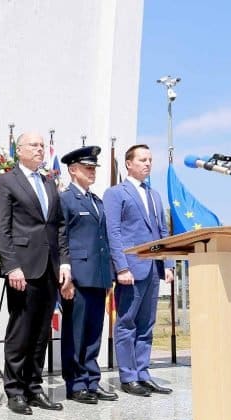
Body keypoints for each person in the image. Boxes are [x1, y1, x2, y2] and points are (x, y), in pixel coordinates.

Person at [0, 132, 71, 415]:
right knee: (21, 330)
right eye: (34, 145)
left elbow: (59, 225)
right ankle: (14, 390)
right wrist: (12, 265)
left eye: (42, 145)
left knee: (41, 332)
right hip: (23, 268)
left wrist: (64, 263)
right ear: (19, 150)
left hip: (50, 267)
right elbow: (2, 228)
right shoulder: (6, 182)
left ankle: (34, 387)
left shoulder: (49, 182)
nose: (39, 149)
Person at [103, 144, 174, 397]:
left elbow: (163, 231)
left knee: (147, 324)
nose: (148, 163)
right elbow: (113, 232)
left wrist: (167, 263)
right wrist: (121, 267)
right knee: (127, 322)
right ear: (128, 163)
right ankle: (129, 376)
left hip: (153, 269)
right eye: (142, 159)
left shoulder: (154, 195)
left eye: (150, 159)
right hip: (130, 270)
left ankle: (143, 373)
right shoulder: (115, 193)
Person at [58, 146, 118, 404]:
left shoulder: (96, 201)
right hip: (78, 276)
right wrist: (66, 274)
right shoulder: (65, 199)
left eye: (94, 168)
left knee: (94, 331)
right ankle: (76, 383)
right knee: (76, 333)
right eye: (87, 167)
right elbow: (61, 238)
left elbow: (103, 241)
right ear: (73, 170)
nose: (92, 172)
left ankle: (92, 380)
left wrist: (109, 274)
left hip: (98, 275)